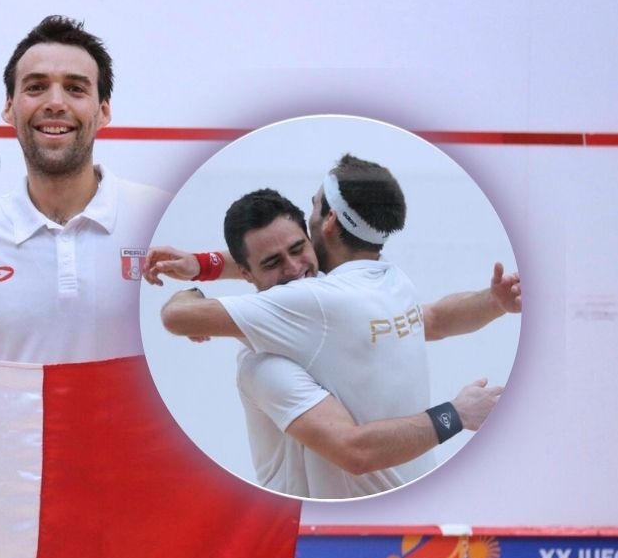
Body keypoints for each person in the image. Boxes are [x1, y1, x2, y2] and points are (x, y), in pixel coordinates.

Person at [157, 159, 520, 498]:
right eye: (273, 260)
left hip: (332, 535)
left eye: (313, 205)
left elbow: (178, 316)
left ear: (328, 220)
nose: (296, 266)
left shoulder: (312, 302)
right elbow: (436, 319)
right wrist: (492, 303)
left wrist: (195, 287)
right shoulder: (390, 281)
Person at [0, 16, 170, 363]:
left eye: (76, 89)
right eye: (36, 87)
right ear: (9, 108)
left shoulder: (162, 218)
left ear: (104, 111)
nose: (55, 103)